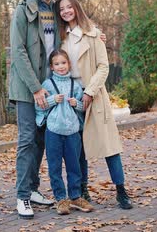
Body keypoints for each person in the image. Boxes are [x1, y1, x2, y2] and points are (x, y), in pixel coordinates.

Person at [54, 0, 134, 210]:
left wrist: (89, 92)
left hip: (94, 95)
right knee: (78, 148)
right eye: (62, 9)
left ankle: (121, 191)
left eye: (69, 7)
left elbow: (104, 66)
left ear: (76, 8)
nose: (66, 11)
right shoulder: (61, 37)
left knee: (109, 147)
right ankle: (82, 190)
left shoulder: (93, 34)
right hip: (71, 96)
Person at [9, 0, 62, 219]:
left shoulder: (56, 11)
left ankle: (32, 189)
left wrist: (98, 36)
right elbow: (18, 52)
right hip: (26, 88)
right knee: (27, 139)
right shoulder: (23, 10)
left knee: (40, 140)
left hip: (48, 88)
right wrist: (36, 88)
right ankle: (21, 197)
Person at [35, 49, 94, 215]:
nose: (61, 66)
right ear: (52, 67)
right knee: (54, 167)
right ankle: (61, 199)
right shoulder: (47, 85)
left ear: (68, 64)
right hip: (53, 131)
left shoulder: (75, 85)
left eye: (63, 63)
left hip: (72, 132)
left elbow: (84, 108)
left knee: (74, 166)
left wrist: (77, 104)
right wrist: (52, 100)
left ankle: (75, 196)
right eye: (57, 64)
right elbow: (39, 106)